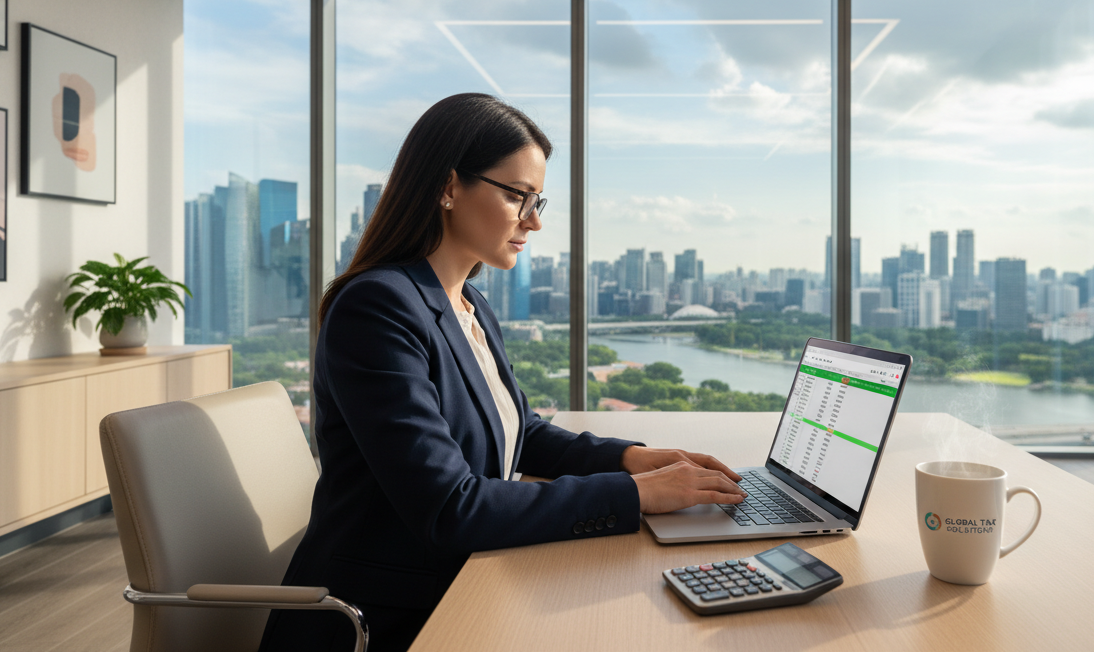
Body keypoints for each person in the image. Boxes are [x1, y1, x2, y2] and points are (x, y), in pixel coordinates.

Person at [259, 94, 747, 652]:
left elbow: (523, 432)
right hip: (386, 620)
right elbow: (452, 507)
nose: (534, 221)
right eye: (518, 196)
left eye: (538, 200)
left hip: (462, 584)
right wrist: (635, 494)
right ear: (447, 187)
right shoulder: (377, 308)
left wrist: (630, 458)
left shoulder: (468, 301)